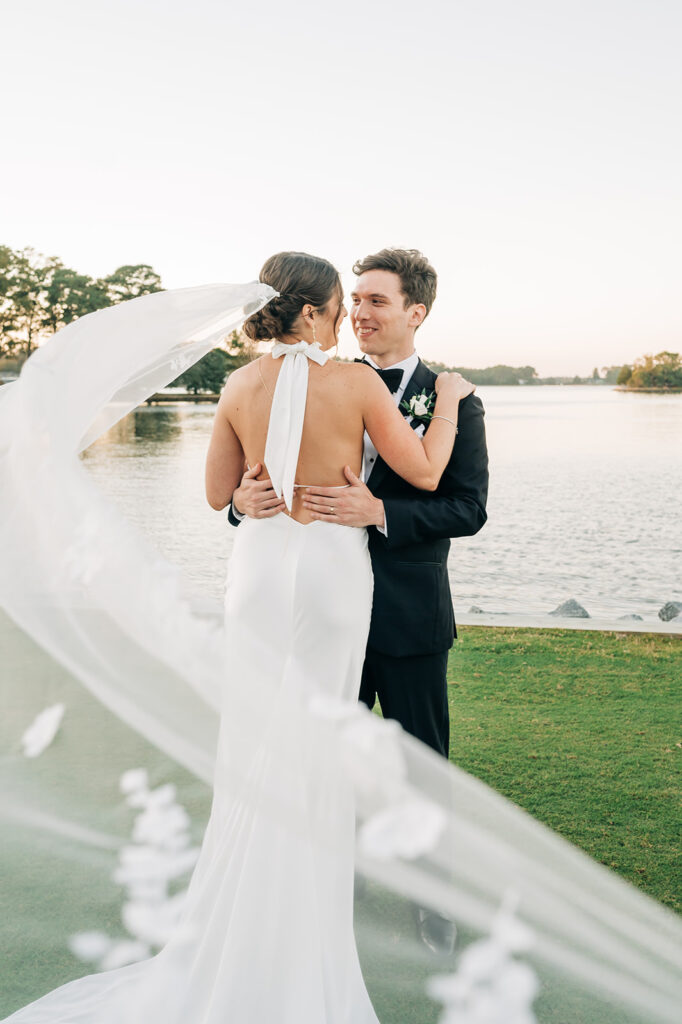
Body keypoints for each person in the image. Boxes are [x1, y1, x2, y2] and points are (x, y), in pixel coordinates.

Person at [1, 253, 472, 1023]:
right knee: (317, 737)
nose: (346, 316)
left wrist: (254, 494)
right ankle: (303, 912)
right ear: (314, 312)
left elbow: (221, 493)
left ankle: (245, 905)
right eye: (340, 304)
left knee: (259, 740)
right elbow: (422, 472)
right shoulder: (355, 383)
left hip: (258, 574)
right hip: (327, 574)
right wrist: (447, 403)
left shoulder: (237, 386)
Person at [228, 248, 489, 954]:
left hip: (405, 615)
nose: (362, 314)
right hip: (318, 607)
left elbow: (468, 508)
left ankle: (434, 902)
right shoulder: (317, 377)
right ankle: (331, 886)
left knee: (419, 762)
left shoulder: (453, 398)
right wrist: (241, 502)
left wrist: (381, 513)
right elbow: (247, 484)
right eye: (358, 300)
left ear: (415, 312)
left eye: (378, 301)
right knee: (321, 751)